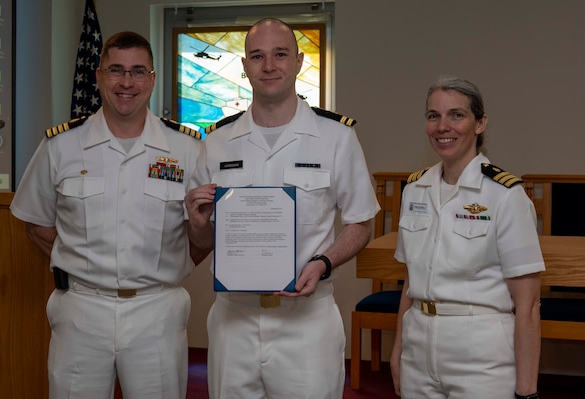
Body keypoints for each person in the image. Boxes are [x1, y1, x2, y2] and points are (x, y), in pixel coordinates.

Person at [185, 18, 380, 399]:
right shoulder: (218, 141)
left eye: (280, 54)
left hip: (306, 322)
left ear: (298, 62)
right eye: (257, 56)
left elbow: (361, 223)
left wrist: (323, 263)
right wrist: (196, 223)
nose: (269, 65)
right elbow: (202, 237)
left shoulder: (336, 137)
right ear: (244, 67)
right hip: (233, 319)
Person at [10, 31, 204, 399]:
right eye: (116, 70)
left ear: (152, 79)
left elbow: (202, 229)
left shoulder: (187, 149)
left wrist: (170, 266)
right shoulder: (61, 146)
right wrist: (82, 263)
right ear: (98, 75)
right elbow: (35, 223)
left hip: (157, 309)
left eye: (137, 71)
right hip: (81, 309)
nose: (126, 82)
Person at [390, 76, 545, 399]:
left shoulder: (505, 195)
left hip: (481, 356)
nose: (442, 126)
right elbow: (409, 282)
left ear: (480, 123)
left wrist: (527, 391)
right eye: (434, 116)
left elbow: (528, 304)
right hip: (418, 349)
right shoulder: (415, 189)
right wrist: (398, 351)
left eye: (456, 115)